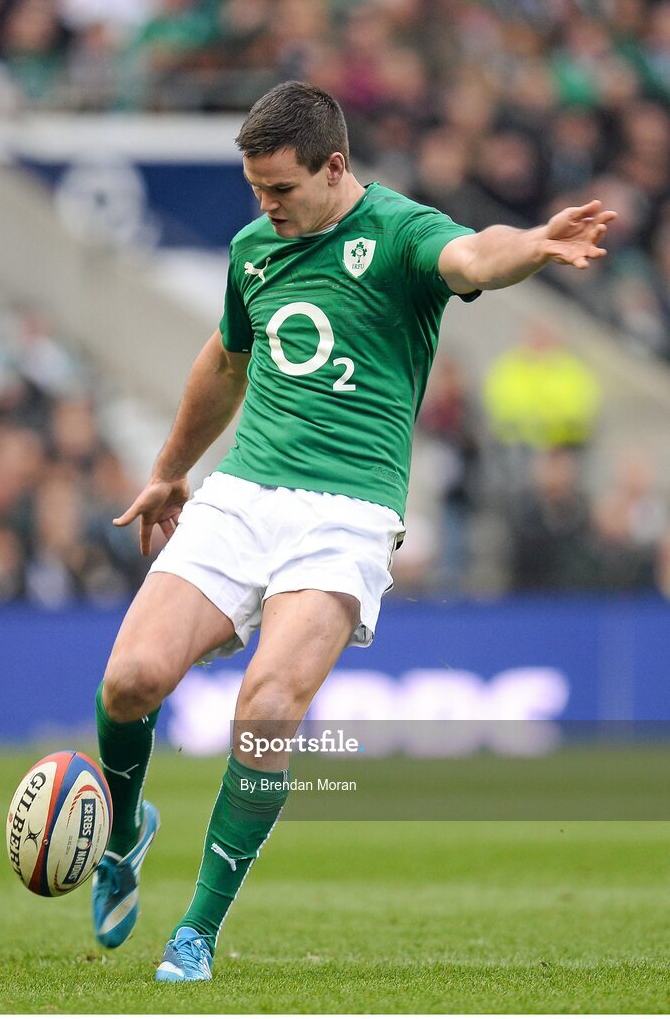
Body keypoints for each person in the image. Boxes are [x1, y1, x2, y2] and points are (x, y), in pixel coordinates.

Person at [89, 81, 615, 983]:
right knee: (130, 681)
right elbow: (225, 359)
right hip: (241, 493)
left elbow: (475, 257)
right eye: (256, 187)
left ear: (335, 167)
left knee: (266, 707)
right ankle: (128, 828)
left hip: (347, 513)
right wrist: (171, 469)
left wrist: (530, 243)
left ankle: (197, 932)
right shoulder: (255, 246)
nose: (265, 205)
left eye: (281, 189)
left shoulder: (403, 233)